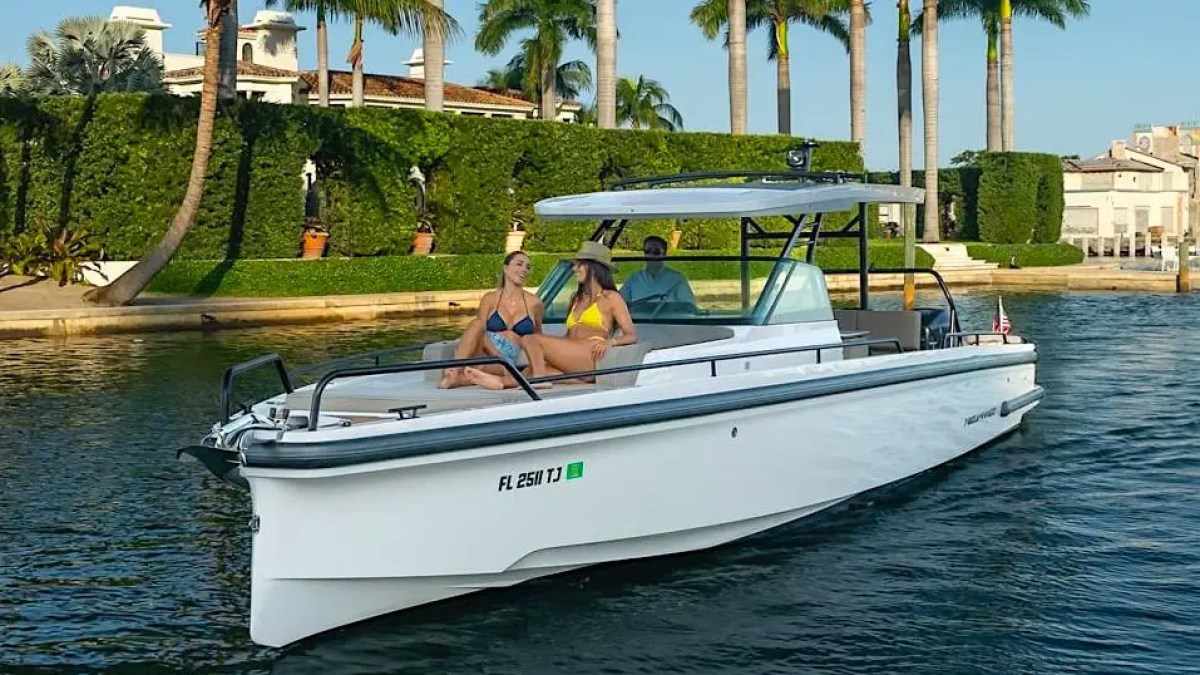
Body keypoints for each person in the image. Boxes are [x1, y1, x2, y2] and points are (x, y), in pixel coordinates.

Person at [465, 242, 638, 390]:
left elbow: (631, 335)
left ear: (593, 267)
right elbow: (569, 335)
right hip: (572, 353)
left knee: (530, 339)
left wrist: (611, 341)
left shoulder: (611, 297)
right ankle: (503, 382)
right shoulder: (576, 298)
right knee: (533, 365)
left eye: (579, 265)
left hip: (591, 353)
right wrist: (551, 349)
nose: (574, 269)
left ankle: (541, 379)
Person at [439, 251, 544, 389]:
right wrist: (497, 355)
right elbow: (480, 333)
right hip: (485, 351)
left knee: (487, 368)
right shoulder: (490, 298)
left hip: (507, 359)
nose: (524, 269)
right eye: (519, 264)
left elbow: (538, 337)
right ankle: (456, 369)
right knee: (476, 324)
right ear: (505, 268)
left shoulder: (535, 303)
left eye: (527, 267)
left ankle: (458, 378)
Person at [619, 235, 695, 308]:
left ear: (664, 254)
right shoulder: (634, 279)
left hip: (667, 321)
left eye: (656, 252)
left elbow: (689, 306)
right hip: (639, 321)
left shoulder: (677, 279)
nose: (651, 255)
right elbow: (619, 302)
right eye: (647, 251)